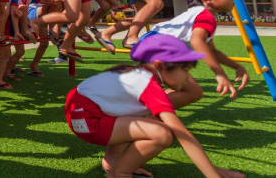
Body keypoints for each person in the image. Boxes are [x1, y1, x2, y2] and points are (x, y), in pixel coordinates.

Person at [65, 34, 245, 178]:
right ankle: (119, 173)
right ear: (159, 65)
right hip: (88, 120)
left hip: (82, 113)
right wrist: (214, 174)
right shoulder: (147, 84)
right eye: (185, 70)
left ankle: (113, 161)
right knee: (162, 134)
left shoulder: (139, 73)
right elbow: (182, 135)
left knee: (143, 116)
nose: (186, 78)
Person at [142, 0, 250, 106]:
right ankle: (145, 113)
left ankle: (146, 110)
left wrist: (236, 66)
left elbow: (212, 51)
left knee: (189, 90)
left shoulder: (198, 14)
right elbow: (197, 42)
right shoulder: (205, 16)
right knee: (193, 92)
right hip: (158, 52)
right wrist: (219, 73)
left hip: (153, 49)